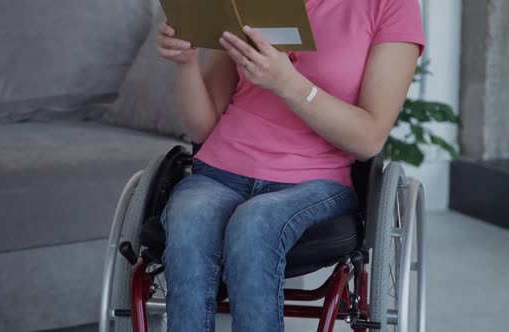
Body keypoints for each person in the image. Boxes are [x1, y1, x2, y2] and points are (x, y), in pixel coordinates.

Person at [157, 0, 425, 331]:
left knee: (254, 223)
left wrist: (288, 83)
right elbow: (203, 128)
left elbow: (369, 139)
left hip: (315, 181)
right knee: (189, 217)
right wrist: (185, 64)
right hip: (219, 170)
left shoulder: (390, 6)